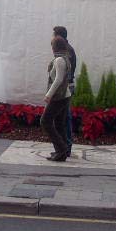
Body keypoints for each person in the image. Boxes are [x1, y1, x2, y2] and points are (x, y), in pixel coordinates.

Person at [41, 35, 73, 161]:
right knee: (59, 123)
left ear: (55, 47)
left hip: (59, 97)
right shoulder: (65, 57)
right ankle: (62, 152)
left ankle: (61, 149)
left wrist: (48, 95)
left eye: (52, 45)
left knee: (45, 122)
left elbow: (58, 79)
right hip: (65, 95)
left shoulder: (59, 60)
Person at [53, 25, 77, 155]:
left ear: (59, 36)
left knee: (64, 117)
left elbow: (63, 74)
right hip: (66, 86)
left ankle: (65, 147)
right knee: (62, 117)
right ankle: (63, 147)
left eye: (54, 35)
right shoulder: (67, 49)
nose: (53, 38)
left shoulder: (66, 50)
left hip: (65, 87)